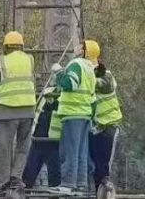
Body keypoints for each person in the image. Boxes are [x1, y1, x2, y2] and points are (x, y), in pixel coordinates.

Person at [0, 31, 37, 194]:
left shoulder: (1, 61)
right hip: (28, 109)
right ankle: (16, 178)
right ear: (21, 46)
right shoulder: (30, 60)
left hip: (7, 110)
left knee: (4, 147)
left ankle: (4, 182)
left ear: (6, 46)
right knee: (23, 147)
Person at [53, 41, 98, 194]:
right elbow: (93, 98)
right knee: (81, 152)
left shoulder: (76, 64)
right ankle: (80, 184)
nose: (77, 47)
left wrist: (59, 73)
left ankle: (67, 184)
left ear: (84, 52)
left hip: (72, 114)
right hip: (84, 115)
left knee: (69, 150)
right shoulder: (90, 69)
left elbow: (69, 83)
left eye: (81, 46)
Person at [88, 42, 122, 191]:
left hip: (109, 126)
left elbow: (103, 84)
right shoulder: (90, 75)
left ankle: (104, 189)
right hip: (96, 127)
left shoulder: (106, 75)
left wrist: (84, 79)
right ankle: (99, 190)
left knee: (104, 164)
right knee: (96, 165)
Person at [22, 86, 62, 189]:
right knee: (29, 174)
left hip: (52, 141)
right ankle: (25, 191)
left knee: (54, 177)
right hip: (39, 139)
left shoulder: (65, 96)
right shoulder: (49, 90)